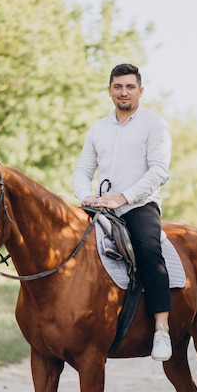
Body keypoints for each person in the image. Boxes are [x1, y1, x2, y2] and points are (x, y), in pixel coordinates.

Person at [73, 63, 172, 361]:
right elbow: (83, 169)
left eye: (130, 87)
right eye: (118, 87)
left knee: (149, 251)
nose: (124, 92)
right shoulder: (98, 128)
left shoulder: (154, 125)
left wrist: (124, 197)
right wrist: (85, 196)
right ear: (109, 91)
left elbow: (159, 171)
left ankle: (161, 330)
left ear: (140, 91)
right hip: (100, 206)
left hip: (139, 205)